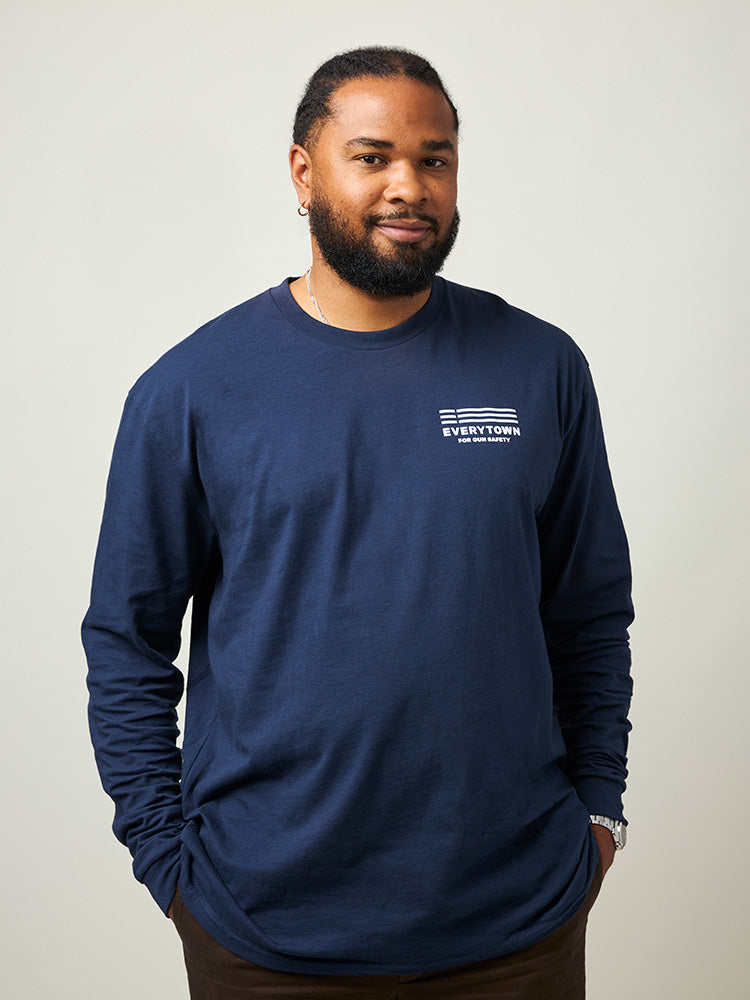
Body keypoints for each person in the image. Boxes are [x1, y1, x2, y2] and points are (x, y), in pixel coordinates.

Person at [82, 46, 633, 999]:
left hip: (519, 923)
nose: (408, 187)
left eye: (435, 158)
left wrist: (599, 815)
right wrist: (167, 862)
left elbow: (588, 611)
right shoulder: (192, 389)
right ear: (305, 172)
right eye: (372, 157)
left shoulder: (539, 367)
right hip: (264, 931)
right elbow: (127, 639)